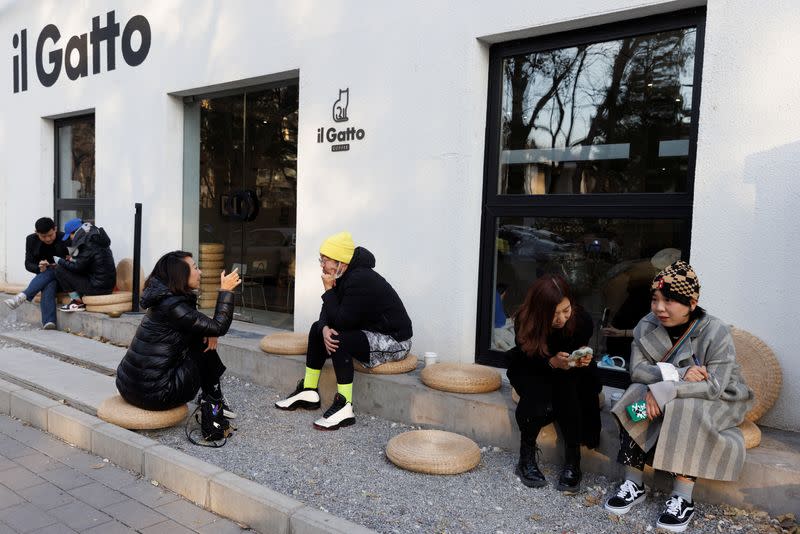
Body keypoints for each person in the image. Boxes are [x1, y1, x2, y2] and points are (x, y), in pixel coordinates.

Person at [604, 260, 753, 532]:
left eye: (669, 300)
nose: (659, 308)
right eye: (655, 299)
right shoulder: (645, 325)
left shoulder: (715, 331)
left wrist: (667, 389)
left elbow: (715, 385)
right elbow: (637, 371)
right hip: (664, 391)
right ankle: (633, 481)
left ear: (692, 303)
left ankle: (683, 496)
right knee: (633, 402)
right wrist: (677, 375)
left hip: (719, 397)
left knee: (686, 407)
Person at [275, 231, 413, 430]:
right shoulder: (340, 275)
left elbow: (342, 322)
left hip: (394, 340)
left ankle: (344, 405)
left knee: (340, 337)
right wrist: (323, 328)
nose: (322, 265)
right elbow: (327, 312)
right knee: (316, 328)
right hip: (367, 331)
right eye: (320, 259)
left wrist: (329, 291)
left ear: (341, 261)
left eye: (325, 260)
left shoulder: (360, 279)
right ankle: (309, 390)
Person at [115, 251, 241, 441]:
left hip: (128, 385)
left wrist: (208, 330)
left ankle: (213, 396)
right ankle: (213, 403)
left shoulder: (165, 299)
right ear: (180, 275)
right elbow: (219, 326)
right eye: (195, 268)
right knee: (202, 346)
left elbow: (196, 324)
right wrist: (226, 292)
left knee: (201, 337)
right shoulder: (174, 306)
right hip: (156, 394)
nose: (201, 273)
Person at [506, 274, 600, 493]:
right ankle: (526, 455)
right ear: (539, 312)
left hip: (570, 372)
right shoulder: (526, 320)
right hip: (534, 366)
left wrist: (582, 360)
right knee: (537, 391)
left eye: (566, 310)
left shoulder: (581, 320)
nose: (561, 318)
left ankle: (573, 458)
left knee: (570, 387)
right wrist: (551, 363)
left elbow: (580, 350)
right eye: (554, 314)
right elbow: (527, 357)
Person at [4, 217, 68, 329]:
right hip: (45, 278)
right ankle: (49, 322)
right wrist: (39, 268)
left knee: (53, 270)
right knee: (49, 283)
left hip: (65, 279)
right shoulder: (31, 240)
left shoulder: (64, 238)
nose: (48, 239)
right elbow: (28, 263)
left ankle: (24, 295)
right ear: (36, 233)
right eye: (43, 236)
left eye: (50, 235)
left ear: (55, 229)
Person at [53, 218, 117, 311]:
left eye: (69, 236)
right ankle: (77, 300)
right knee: (66, 266)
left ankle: (77, 302)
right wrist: (72, 259)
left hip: (97, 288)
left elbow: (78, 267)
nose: (70, 239)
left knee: (59, 269)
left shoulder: (87, 242)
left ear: (73, 233)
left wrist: (60, 261)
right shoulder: (94, 237)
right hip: (107, 285)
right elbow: (88, 263)